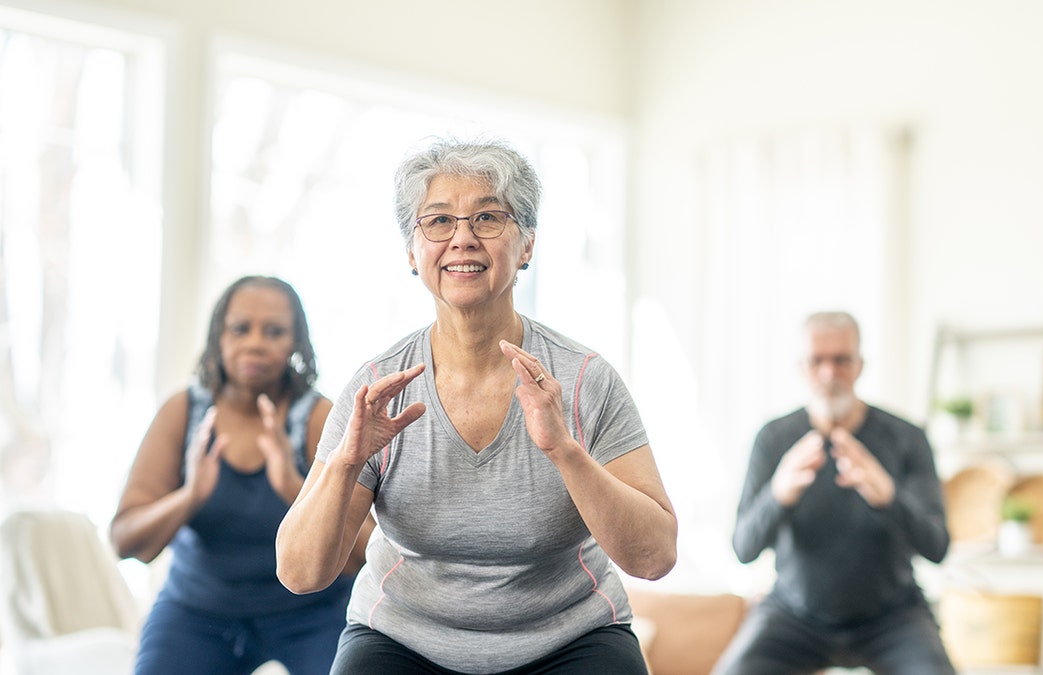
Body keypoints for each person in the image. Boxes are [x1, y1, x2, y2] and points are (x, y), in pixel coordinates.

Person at [275, 138, 677, 675]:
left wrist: (565, 451)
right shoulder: (378, 387)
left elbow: (654, 558)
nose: (463, 239)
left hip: (571, 639)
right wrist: (347, 462)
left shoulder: (585, 381)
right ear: (412, 252)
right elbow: (301, 573)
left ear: (527, 244)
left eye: (488, 217)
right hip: (403, 640)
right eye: (438, 221)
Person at [111, 275, 371, 675]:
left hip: (311, 614)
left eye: (274, 331)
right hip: (198, 612)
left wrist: (291, 485)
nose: (254, 342)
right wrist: (191, 495)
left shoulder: (320, 417)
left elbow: (369, 554)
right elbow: (127, 542)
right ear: (219, 335)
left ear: (295, 343)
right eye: (240, 328)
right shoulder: (182, 413)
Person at [714, 311, 954, 675]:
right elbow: (743, 548)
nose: (829, 373)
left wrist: (888, 495)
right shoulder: (774, 438)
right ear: (801, 366)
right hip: (794, 615)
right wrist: (778, 494)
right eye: (817, 361)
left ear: (859, 365)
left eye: (841, 360)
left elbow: (937, 547)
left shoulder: (907, 437)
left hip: (893, 617)